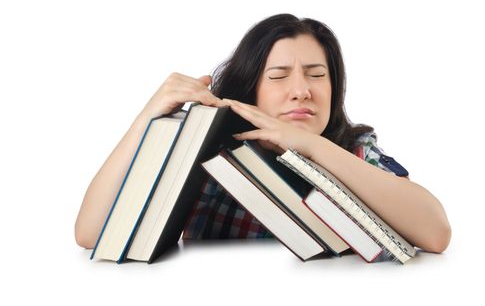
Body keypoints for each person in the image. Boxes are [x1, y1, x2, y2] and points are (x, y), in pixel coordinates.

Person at [75, 13, 451, 254]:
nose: (302, 90)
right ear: (251, 87)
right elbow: (92, 233)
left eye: (317, 75)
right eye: (278, 76)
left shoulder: (354, 151)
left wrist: (310, 145)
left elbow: (436, 233)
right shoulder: (209, 160)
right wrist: (146, 117)